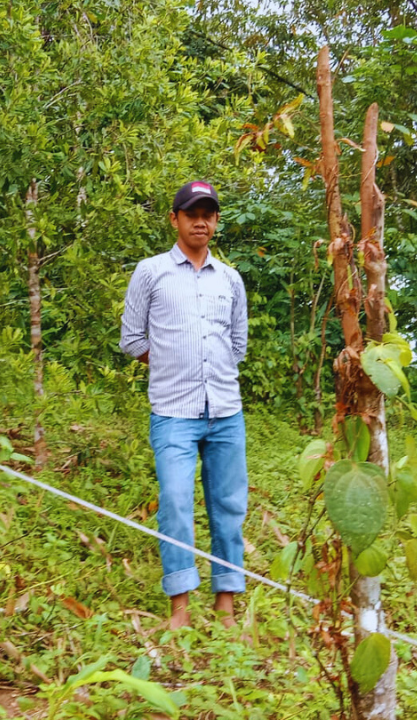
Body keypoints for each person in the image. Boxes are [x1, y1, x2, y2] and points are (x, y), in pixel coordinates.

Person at [120, 181, 249, 629]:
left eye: (209, 213)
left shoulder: (231, 279)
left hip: (227, 413)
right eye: (191, 212)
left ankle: (227, 606)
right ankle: (180, 607)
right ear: (174, 218)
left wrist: (207, 364)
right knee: (175, 501)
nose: (201, 220)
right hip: (173, 412)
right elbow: (132, 339)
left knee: (229, 505)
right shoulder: (151, 272)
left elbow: (237, 344)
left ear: (215, 220)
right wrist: (174, 361)